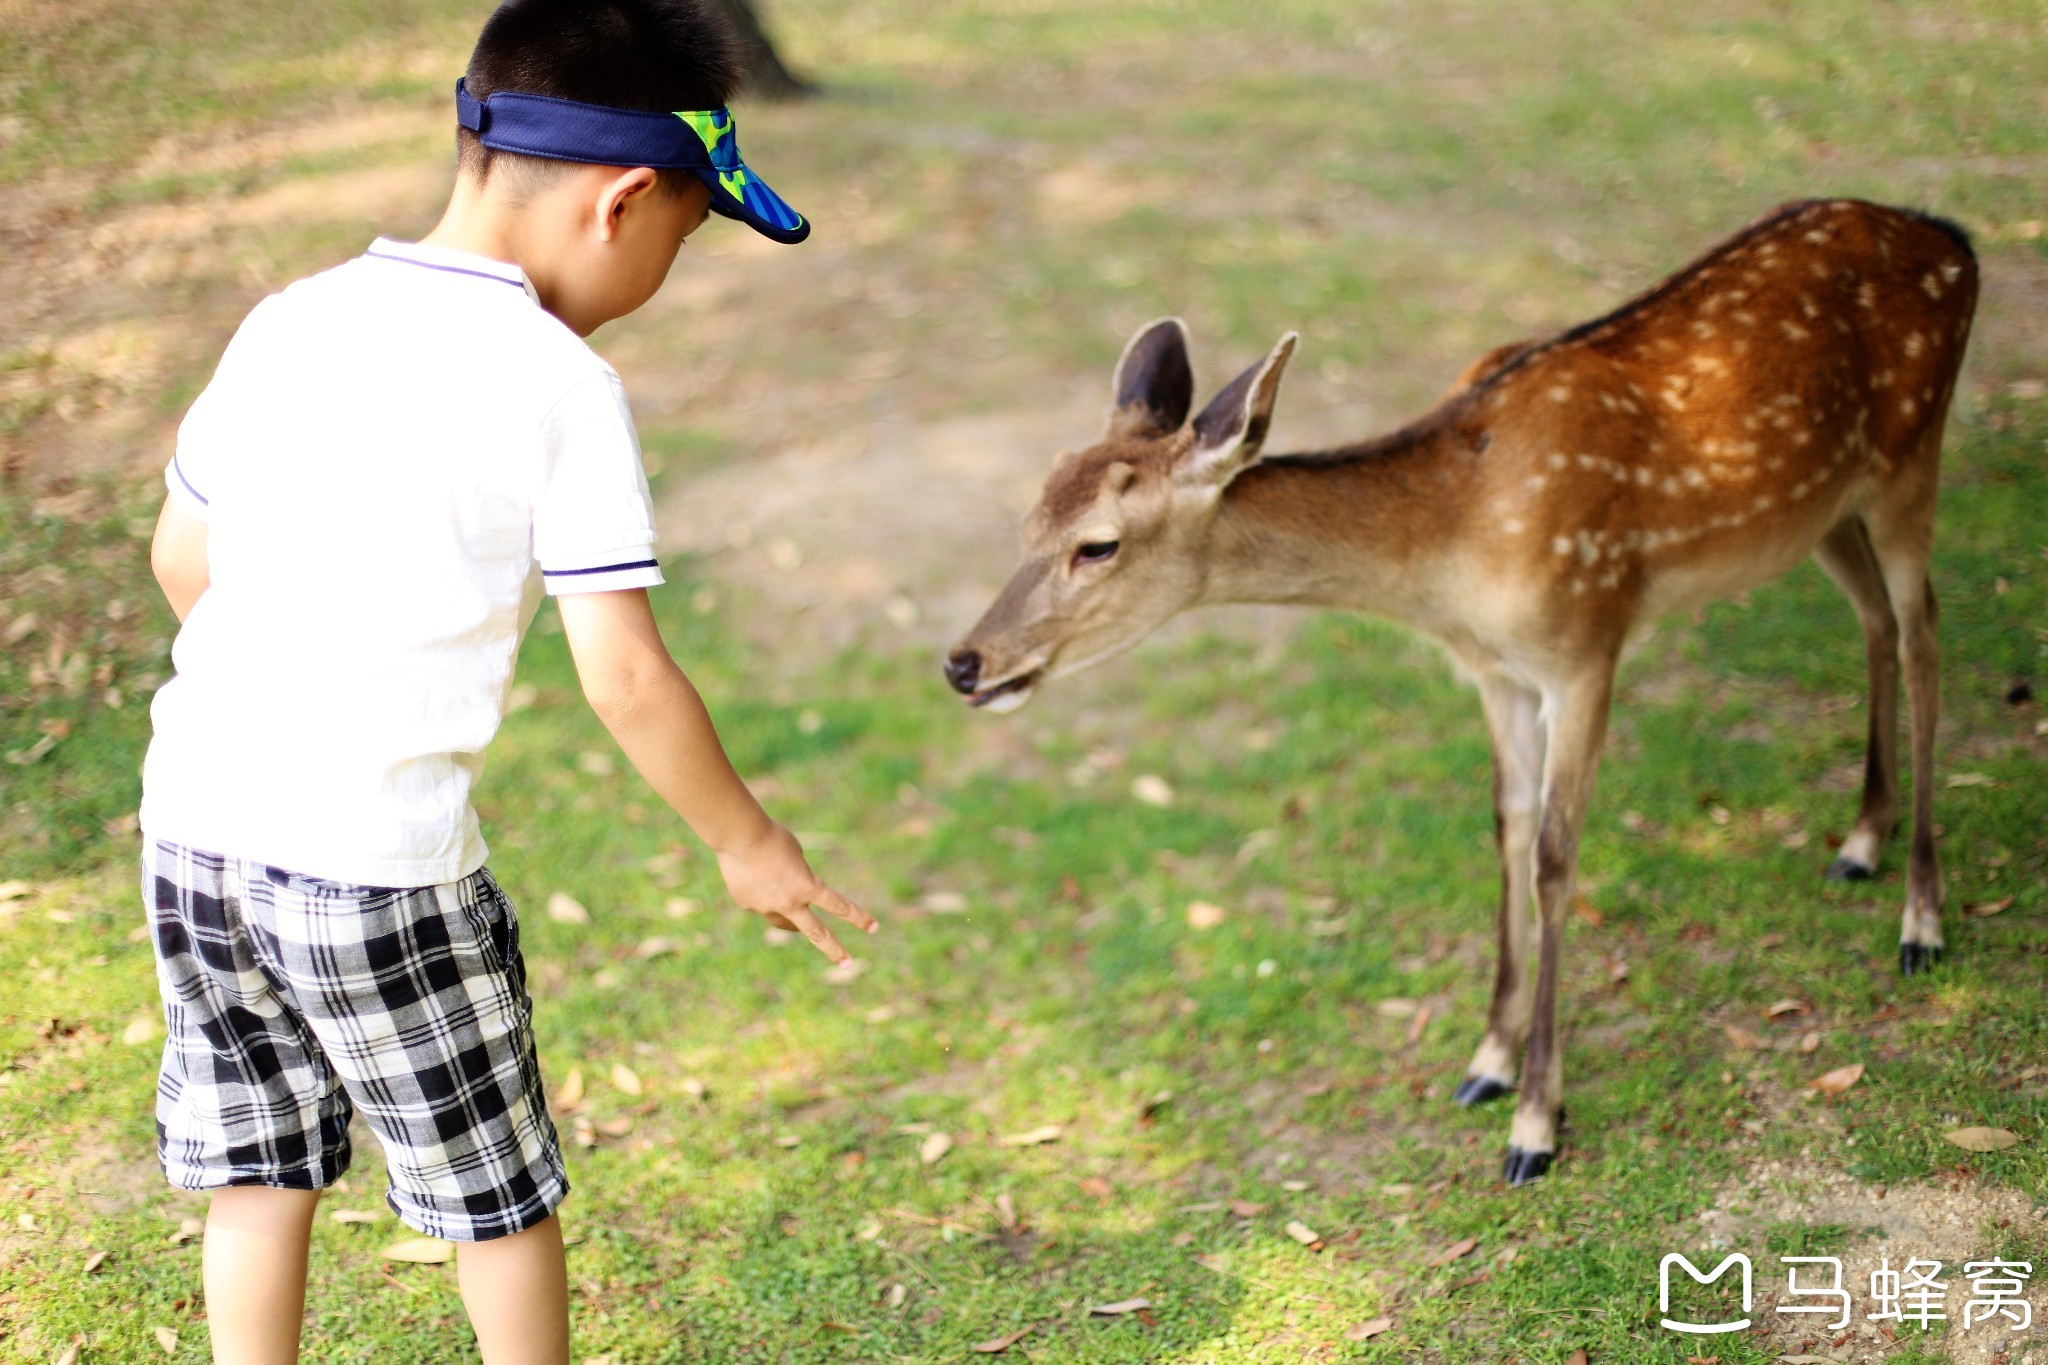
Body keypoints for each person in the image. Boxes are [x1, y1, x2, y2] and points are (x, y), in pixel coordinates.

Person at [140, 2, 871, 1359]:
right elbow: (628, 674)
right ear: (626, 202)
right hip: (379, 865)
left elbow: (185, 554)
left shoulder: (288, 321)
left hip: (192, 823)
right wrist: (747, 840)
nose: (668, 265)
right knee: (494, 1193)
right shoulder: (559, 383)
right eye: (686, 237)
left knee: (256, 1166)